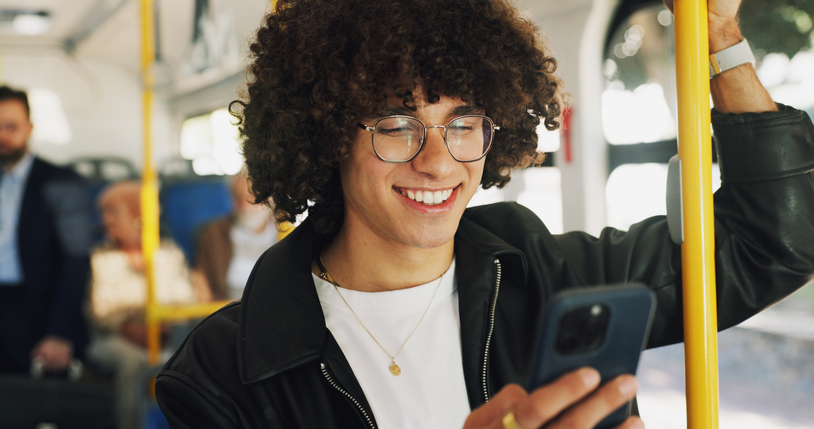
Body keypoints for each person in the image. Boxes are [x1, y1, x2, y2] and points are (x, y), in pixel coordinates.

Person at [155, 0, 814, 428]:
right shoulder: (224, 369)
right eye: (397, 125)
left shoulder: (555, 276)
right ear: (327, 137)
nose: (439, 162)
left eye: (463, 123)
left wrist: (719, 35)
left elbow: (773, 243)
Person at [86, 181, 206, 429]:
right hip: (116, 337)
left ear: (138, 216)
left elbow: (186, 300)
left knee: (193, 355)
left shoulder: (169, 253)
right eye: (103, 213)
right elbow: (100, 311)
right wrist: (129, 327)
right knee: (132, 363)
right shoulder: (101, 257)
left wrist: (164, 324)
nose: (105, 220)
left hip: (167, 334)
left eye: (113, 212)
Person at [0, 85, 93, 375]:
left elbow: (76, 260)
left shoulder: (60, 182)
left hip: (37, 310)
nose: (2, 136)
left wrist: (59, 331)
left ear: (29, 128)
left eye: (10, 126)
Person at [195, 171, 286, 301]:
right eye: (238, 198)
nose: (244, 206)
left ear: (270, 199)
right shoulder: (213, 235)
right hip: (229, 310)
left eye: (252, 197)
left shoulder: (286, 233)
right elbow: (201, 283)